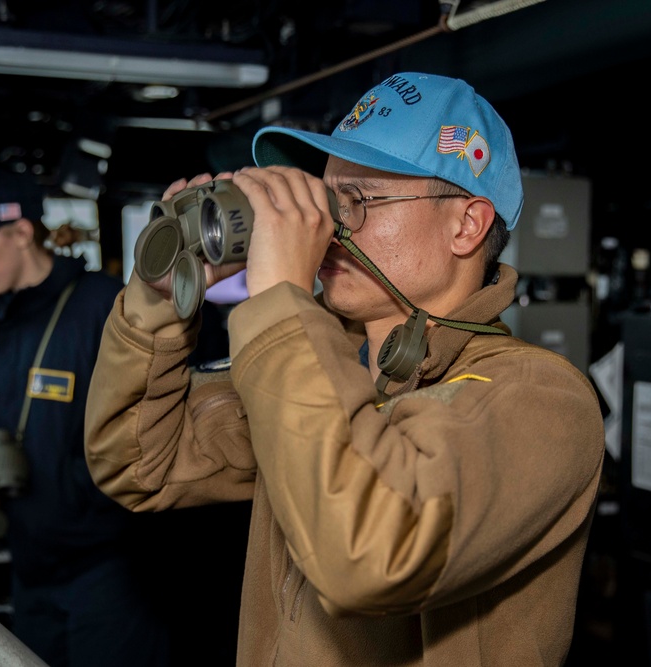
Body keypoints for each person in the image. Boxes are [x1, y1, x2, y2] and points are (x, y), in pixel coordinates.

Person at [84, 71, 605, 665]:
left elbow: (370, 555)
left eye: (360, 199)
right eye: (328, 200)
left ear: (467, 225)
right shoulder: (332, 367)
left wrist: (280, 298)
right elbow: (137, 461)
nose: (332, 226)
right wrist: (159, 298)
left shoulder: (539, 399)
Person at [0, 167, 170, 667]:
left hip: (106, 567)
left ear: (21, 232)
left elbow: (157, 428)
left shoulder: (105, 306)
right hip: (29, 562)